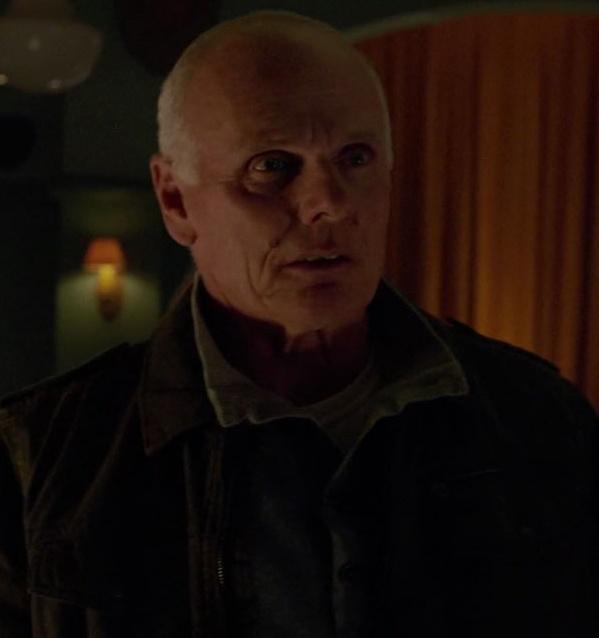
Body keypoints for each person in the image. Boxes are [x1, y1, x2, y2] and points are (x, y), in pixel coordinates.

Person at [0, 10, 597, 638]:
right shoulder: (39, 462)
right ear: (175, 200)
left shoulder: (535, 419)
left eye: (356, 158)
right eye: (273, 165)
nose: (330, 203)